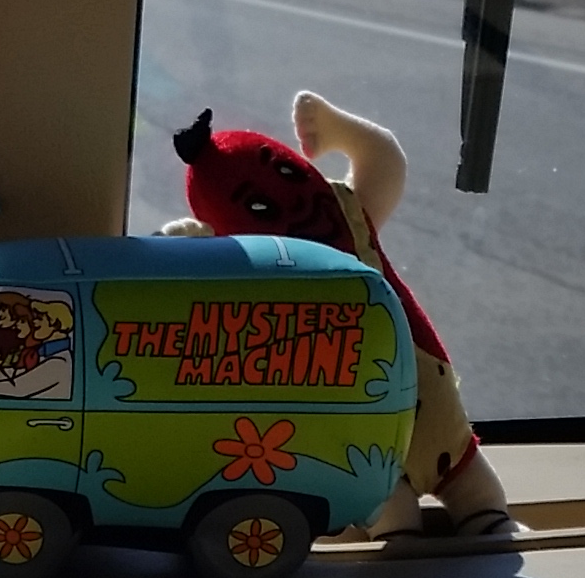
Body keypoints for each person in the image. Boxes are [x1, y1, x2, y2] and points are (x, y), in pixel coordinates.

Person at [165, 91, 510, 535]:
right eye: (259, 207)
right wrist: (199, 257)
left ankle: (477, 526)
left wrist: (338, 128)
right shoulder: (266, 272)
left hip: (432, 427)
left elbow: (384, 164)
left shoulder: (347, 213)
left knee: (476, 501)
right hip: (369, 451)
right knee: (395, 519)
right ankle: (420, 540)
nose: (292, 201)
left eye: (287, 171)